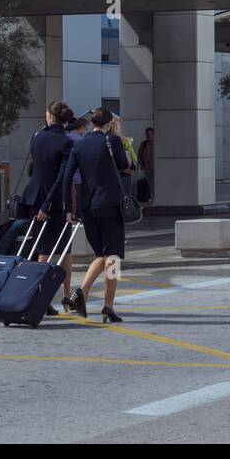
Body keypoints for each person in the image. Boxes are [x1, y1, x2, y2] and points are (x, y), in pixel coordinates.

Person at [61, 107, 132, 323]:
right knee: (113, 257)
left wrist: (67, 208)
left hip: (87, 207)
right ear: (110, 124)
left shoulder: (80, 144)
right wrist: (119, 136)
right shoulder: (113, 141)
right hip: (110, 204)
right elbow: (124, 165)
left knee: (101, 254)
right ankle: (107, 305)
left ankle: (80, 293)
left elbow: (67, 176)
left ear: (93, 123)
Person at [21, 102, 75, 315]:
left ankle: (52, 297)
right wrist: (50, 203)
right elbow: (61, 179)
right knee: (59, 251)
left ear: (50, 117)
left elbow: (36, 169)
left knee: (46, 249)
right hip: (54, 201)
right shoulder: (66, 142)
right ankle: (52, 297)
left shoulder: (37, 137)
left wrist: (44, 203)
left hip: (36, 198)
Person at [138, 126, 155, 200]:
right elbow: (139, 155)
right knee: (150, 183)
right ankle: (153, 196)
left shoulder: (156, 143)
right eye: (146, 134)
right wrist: (141, 165)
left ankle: (155, 196)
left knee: (155, 183)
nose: (147, 136)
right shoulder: (144, 144)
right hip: (147, 168)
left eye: (149, 134)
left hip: (155, 168)